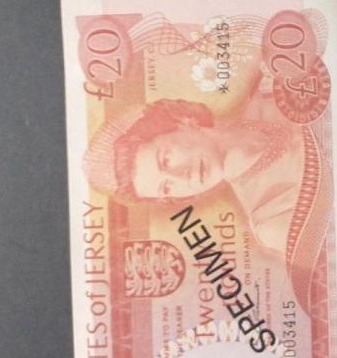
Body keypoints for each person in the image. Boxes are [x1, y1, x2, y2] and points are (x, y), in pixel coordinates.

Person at [84, 94, 308, 258]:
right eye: (167, 188)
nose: (182, 177)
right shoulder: (270, 220)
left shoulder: (269, 90)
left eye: (166, 160)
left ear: (183, 122)